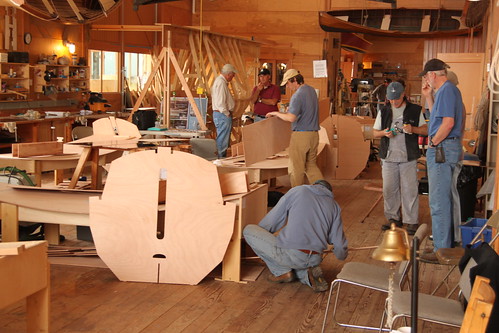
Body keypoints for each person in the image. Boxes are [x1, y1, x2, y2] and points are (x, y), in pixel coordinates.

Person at [243, 180, 348, 292]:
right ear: (328, 192)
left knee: (249, 230)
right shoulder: (334, 206)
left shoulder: (298, 191)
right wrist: (341, 254)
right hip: (315, 258)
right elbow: (339, 244)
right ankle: (307, 275)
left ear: (313, 185)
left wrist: (260, 239)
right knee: (299, 262)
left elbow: (272, 220)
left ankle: (281, 272)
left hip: (292, 254)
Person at [419, 59, 464, 261]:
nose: (426, 80)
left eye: (426, 76)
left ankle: (441, 249)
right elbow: (437, 118)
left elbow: (447, 123)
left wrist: (434, 143)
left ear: (432, 75)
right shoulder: (448, 92)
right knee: (445, 198)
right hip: (448, 148)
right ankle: (447, 243)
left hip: (442, 149)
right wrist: (429, 97)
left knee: (438, 201)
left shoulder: (446, 91)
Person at [373, 82, 427, 236]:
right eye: (391, 99)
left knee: (410, 190)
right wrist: (385, 133)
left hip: (408, 157)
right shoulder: (383, 111)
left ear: (403, 94)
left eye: (396, 99)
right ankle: (393, 219)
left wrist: (413, 129)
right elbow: (375, 133)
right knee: (389, 189)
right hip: (388, 157)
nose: (394, 102)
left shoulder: (415, 110)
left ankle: (411, 221)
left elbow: (425, 130)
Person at [266, 69, 323, 187]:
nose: (287, 86)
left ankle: (297, 197)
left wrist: (276, 113)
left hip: (301, 136)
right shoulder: (311, 90)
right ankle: (323, 192)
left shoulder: (297, 95)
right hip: (314, 134)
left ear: (295, 80)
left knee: (295, 168)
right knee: (311, 166)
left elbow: (291, 118)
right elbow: (306, 109)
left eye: (288, 83)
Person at [211, 64, 236, 158]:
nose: (233, 77)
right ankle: (220, 159)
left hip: (220, 114)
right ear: (229, 74)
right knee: (222, 139)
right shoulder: (221, 83)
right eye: (233, 75)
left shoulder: (220, 81)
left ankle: (220, 158)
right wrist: (227, 113)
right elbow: (221, 102)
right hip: (222, 114)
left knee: (222, 137)